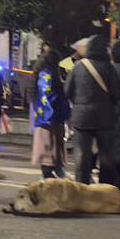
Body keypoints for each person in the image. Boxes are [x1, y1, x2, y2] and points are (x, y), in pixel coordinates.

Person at [65, 34, 120, 184]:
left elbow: (67, 91)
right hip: (105, 117)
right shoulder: (109, 68)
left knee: (82, 154)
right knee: (106, 154)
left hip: (82, 117)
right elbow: (117, 93)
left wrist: (79, 104)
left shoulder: (78, 67)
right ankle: (105, 188)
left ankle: (82, 186)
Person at [29, 44, 69, 179]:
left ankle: (49, 172)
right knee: (51, 147)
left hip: (42, 118)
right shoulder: (49, 76)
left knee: (47, 147)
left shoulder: (39, 75)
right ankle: (51, 173)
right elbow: (53, 98)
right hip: (51, 119)